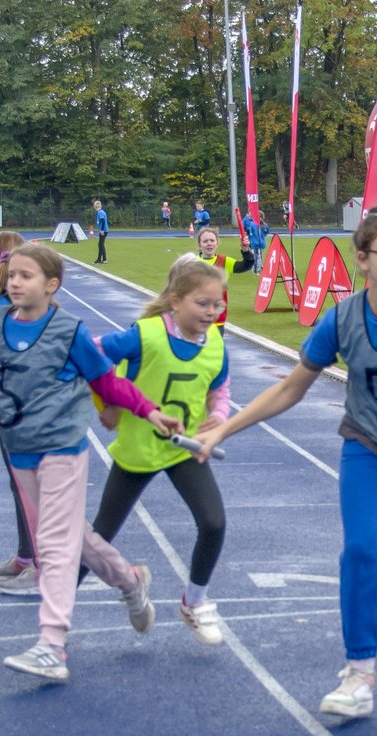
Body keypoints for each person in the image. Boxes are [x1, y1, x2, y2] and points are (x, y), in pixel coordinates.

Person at [208, 205, 377, 718]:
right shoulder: (343, 317)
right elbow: (289, 388)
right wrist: (224, 427)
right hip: (368, 445)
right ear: (362, 260)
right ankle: (359, 674)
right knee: (361, 551)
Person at [0, 242, 182, 681]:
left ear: (52, 284)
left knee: (54, 548)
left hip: (63, 446)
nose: (16, 282)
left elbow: (107, 381)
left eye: (26, 275)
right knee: (73, 537)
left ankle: (52, 644)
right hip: (19, 449)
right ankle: (130, 579)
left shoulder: (70, 331)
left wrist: (150, 411)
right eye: (12, 275)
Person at [90, 256, 231, 645]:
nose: (212, 312)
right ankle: (56, 616)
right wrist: (109, 401)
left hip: (182, 449)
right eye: (203, 304)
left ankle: (195, 601)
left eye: (217, 304)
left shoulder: (217, 341)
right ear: (175, 301)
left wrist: (218, 415)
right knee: (100, 536)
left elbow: (220, 387)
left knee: (214, 522)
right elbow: (92, 352)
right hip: (139, 447)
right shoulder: (145, 335)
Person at [0, 231, 39, 596]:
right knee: (23, 485)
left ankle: (40, 562)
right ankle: (26, 556)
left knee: (28, 486)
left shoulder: (2, 305)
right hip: (24, 403)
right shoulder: (5, 304)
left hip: (17, 405)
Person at [195, 227, 254, 326]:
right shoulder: (191, 262)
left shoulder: (224, 261)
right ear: (199, 245)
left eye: (212, 240)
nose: (209, 243)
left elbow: (247, 265)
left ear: (217, 244)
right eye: (205, 241)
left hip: (217, 319)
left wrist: (246, 250)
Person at [92, 199, 109, 264]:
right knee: (101, 244)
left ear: (95, 206)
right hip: (103, 230)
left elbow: (103, 221)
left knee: (101, 244)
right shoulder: (100, 212)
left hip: (104, 230)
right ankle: (104, 259)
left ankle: (100, 259)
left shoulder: (100, 212)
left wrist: (101, 230)